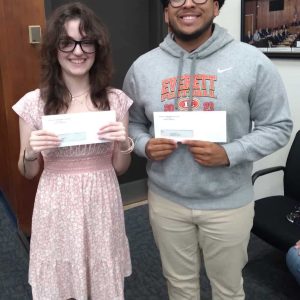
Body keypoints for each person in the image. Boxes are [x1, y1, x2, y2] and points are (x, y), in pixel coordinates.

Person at [123, 0, 293, 299]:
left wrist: (230, 153)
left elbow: (278, 127)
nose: (188, 3)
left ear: (216, 8)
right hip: (166, 202)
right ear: (166, 12)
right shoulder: (143, 67)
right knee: (179, 286)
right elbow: (131, 124)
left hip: (228, 202)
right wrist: (145, 146)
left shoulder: (252, 61)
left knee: (228, 289)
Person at [12, 2, 133, 299]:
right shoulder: (33, 103)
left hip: (101, 200)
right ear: (55, 48)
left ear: (97, 47)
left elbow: (120, 168)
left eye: (86, 41)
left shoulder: (116, 100)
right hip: (56, 203)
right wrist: (29, 152)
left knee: (101, 283)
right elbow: (28, 173)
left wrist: (124, 144)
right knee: (60, 282)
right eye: (67, 42)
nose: (77, 51)